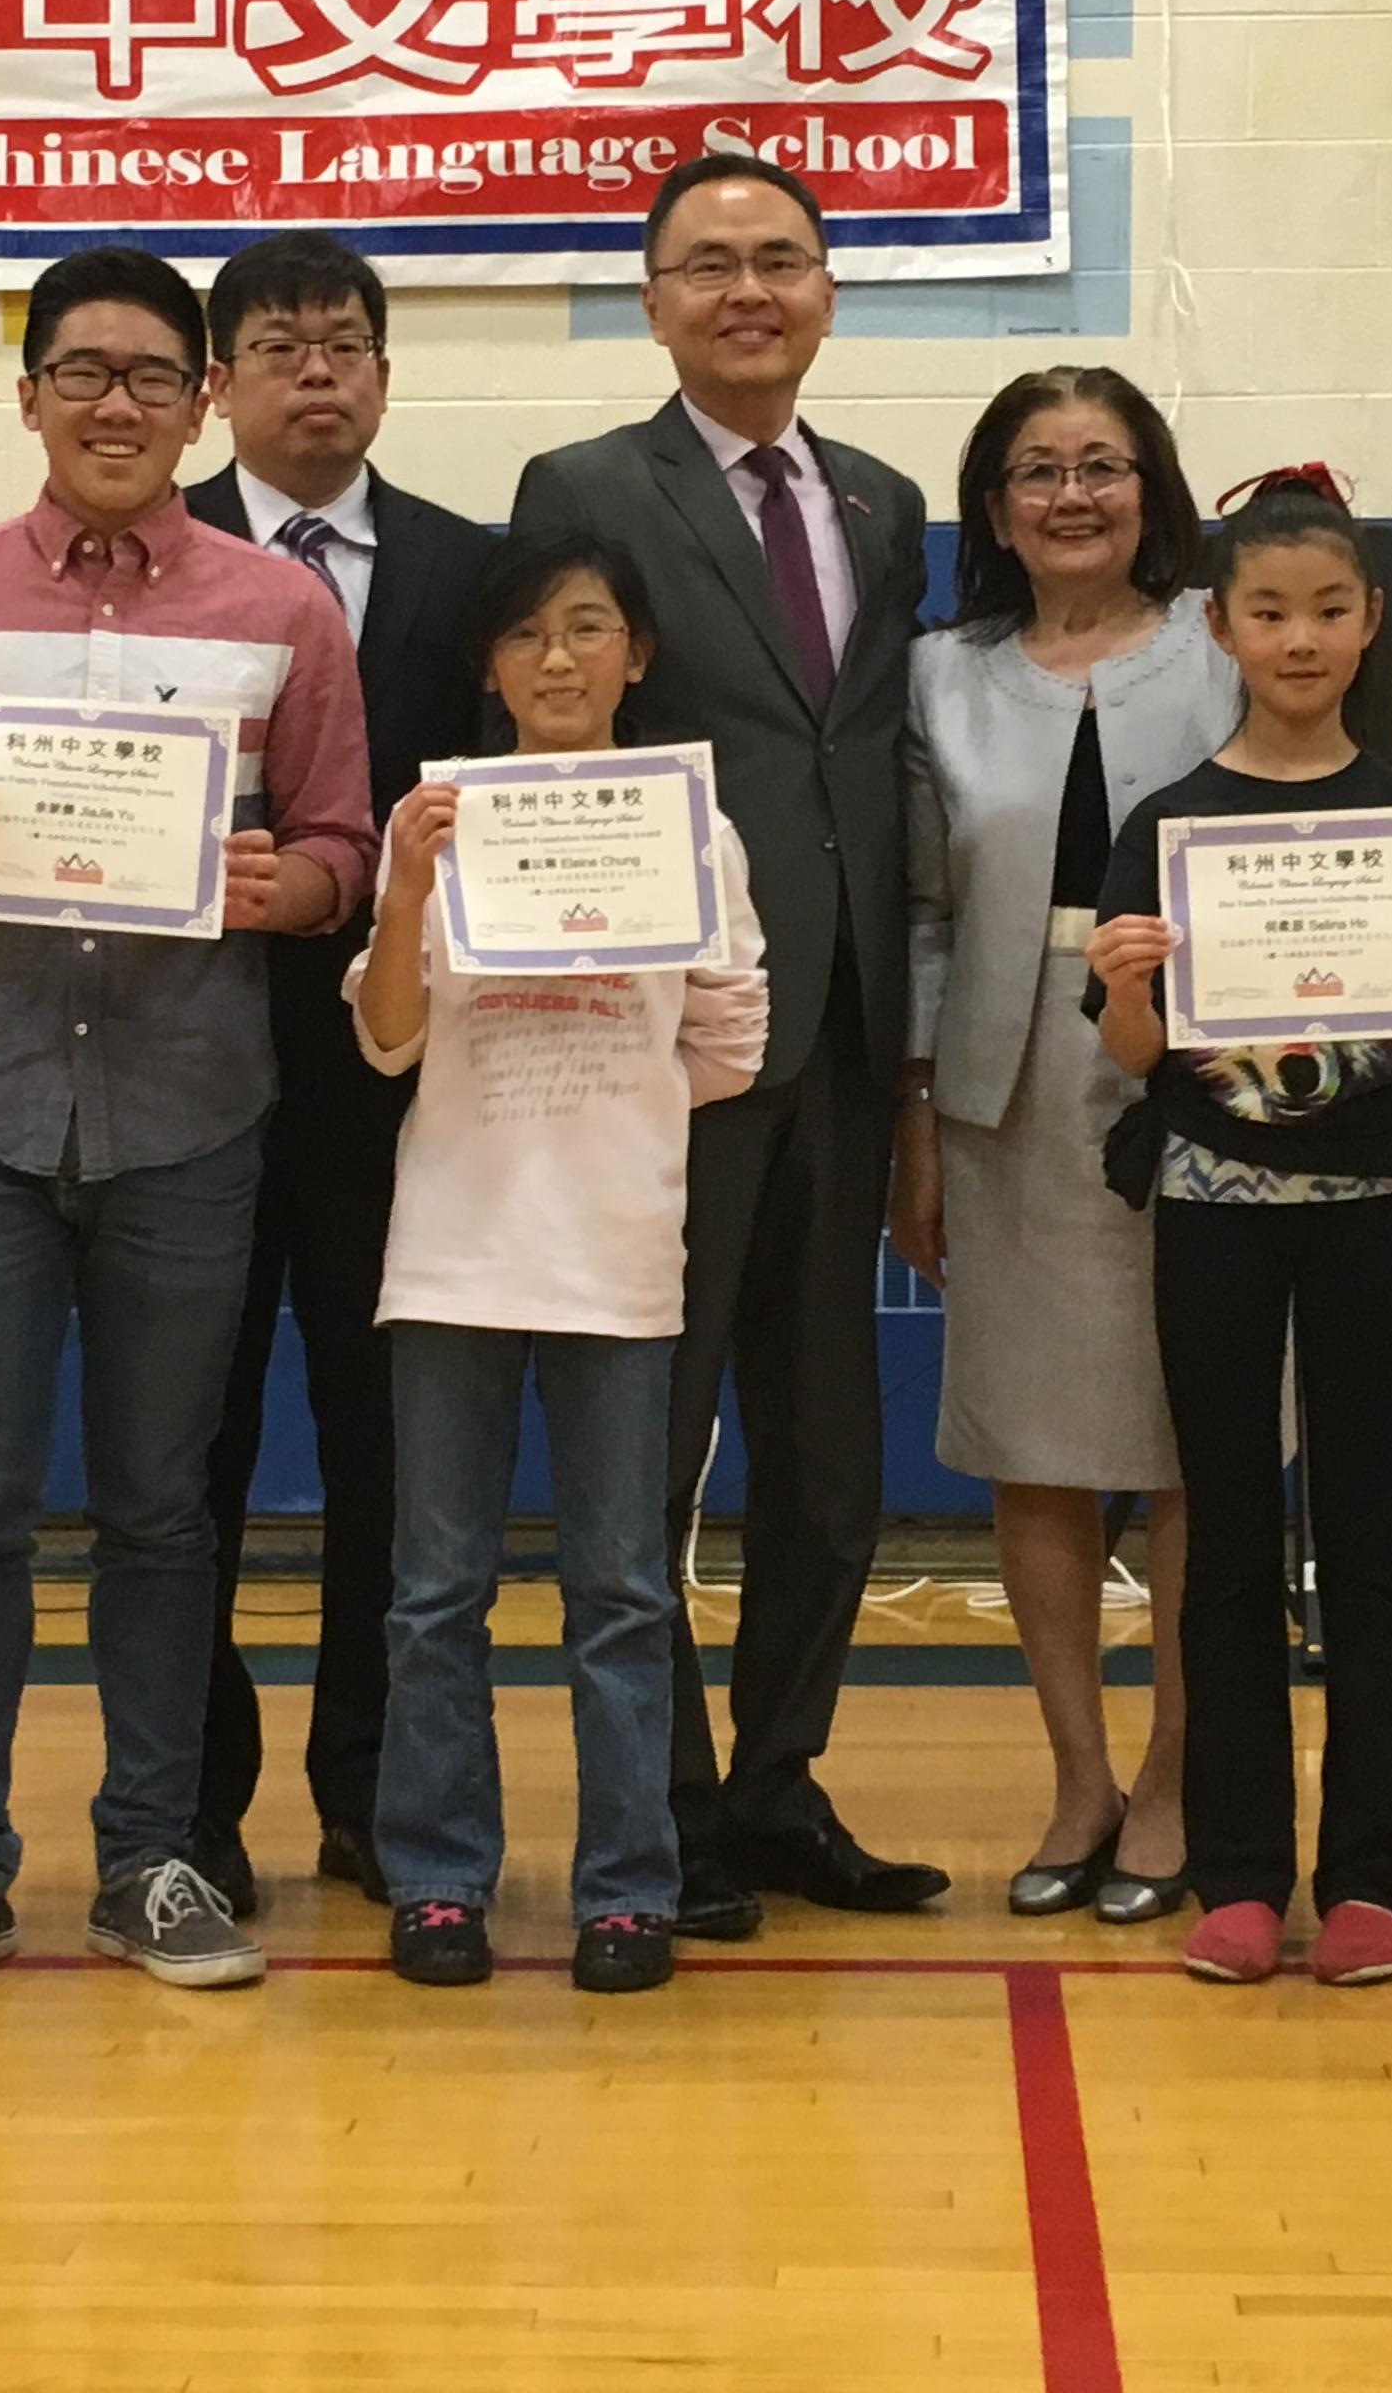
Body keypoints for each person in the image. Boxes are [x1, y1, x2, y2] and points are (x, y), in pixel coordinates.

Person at [0, 246, 377, 2003]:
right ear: (32, 395)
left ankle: (151, 1861)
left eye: (152, 375)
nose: (118, 404)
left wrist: (278, 891)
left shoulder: (282, 616)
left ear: (202, 399)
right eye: (84, 372)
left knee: (162, 1512)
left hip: (190, 1121)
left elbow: (348, 856)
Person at [508, 154, 945, 1935]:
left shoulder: (891, 499)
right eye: (708, 265)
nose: (747, 290)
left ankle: (778, 1788)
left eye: (781, 260)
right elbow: (557, 731)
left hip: (843, 1039)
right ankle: (661, 1811)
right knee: (651, 1449)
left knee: (830, 1461)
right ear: (655, 299)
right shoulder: (585, 487)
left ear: (829, 290)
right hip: (668, 1049)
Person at [1086, 468, 1392, 1987]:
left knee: (1370, 1537)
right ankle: (1239, 1873)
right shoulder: (1167, 825)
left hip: (1372, 1208)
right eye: (1268, 610)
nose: (1299, 637)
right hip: (1212, 1212)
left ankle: (1376, 1878)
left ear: (1370, 623)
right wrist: (1133, 986)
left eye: (1328, 611)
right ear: (1220, 625)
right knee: (1222, 1538)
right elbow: (1134, 1062)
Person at [352, 533, 771, 1998]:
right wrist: (406, 893)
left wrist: (619, 1098)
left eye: (590, 629)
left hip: (616, 1256)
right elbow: (389, 1038)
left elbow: (732, 1042)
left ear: (636, 655)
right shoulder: (437, 815)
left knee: (621, 1596)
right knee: (434, 1594)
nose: (558, 660)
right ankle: (442, 1879)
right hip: (456, 1254)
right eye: (527, 636)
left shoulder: (692, 831)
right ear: (489, 667)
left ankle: (625, 1890)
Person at [182, 229, 491, 1920]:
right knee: (191, 1455)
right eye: (285, 344)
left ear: (386, 370)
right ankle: (196, 1800)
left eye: (349, 343)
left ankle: (378, 1794)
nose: (322, 371)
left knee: (394, 1456)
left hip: (403, 1084)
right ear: (221, 379)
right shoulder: (152, 565)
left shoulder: (472, 568)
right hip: (192, 1078)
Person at [896, 366, 1232, 1924]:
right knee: (1035, 1445)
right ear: (993, 508)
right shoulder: (937, 677)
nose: (1074, 495)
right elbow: (916, 912)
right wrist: (911, 1109)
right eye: (1038, 469)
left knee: (1189, 1444)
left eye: (1104, 465)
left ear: (1150, 488)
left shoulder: (1225, 652)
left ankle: (1174, 1777)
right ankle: (1079, 1775)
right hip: (1006, 1079)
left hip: (1206, 1072)